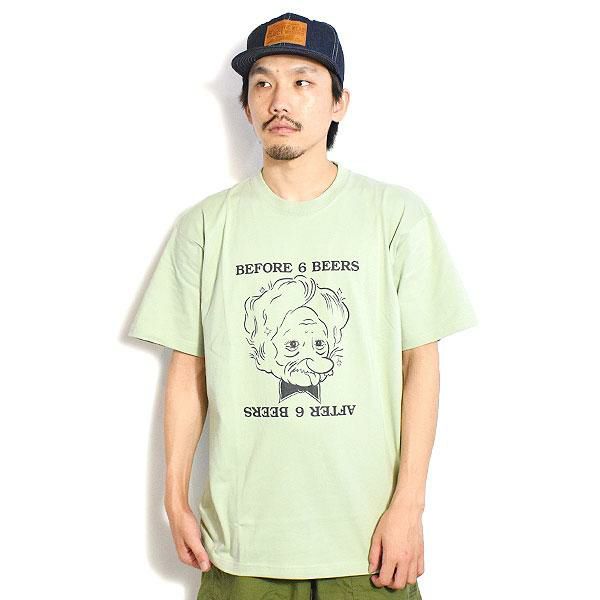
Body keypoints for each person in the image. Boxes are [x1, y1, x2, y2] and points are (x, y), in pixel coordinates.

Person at [128, 12, 478, 600]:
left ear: (339, 103)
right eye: (262, 83)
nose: (280, 100)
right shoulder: (206, 225)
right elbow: (188, 369)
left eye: (303, 81)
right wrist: (174, 498)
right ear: (246, 106)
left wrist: (409, 507)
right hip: (241, 547)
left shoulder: (395, 216)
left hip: (369, 545)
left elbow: (421, 363)